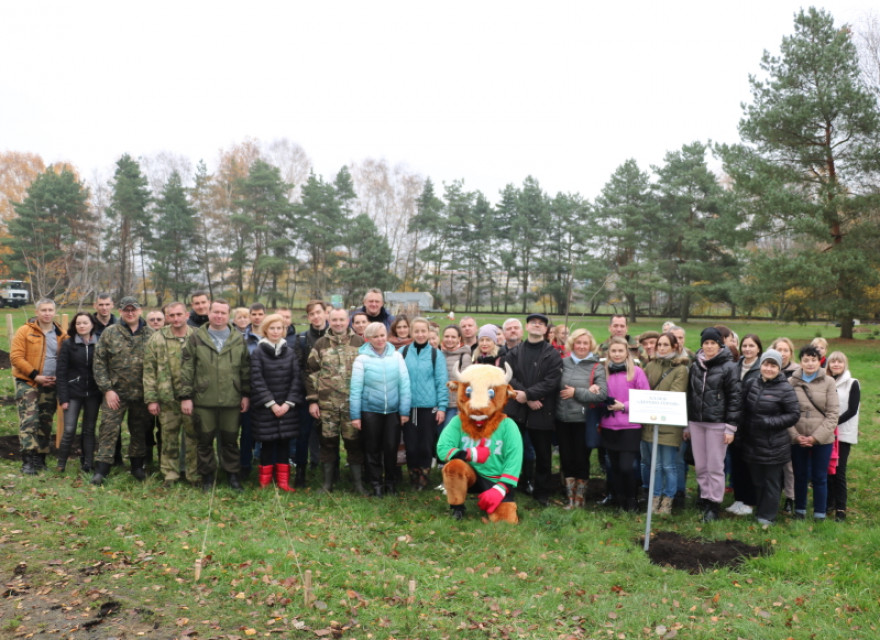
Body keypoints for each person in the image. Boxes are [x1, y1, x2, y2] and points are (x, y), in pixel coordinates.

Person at [179, 299, 251, 492]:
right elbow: (187, 368)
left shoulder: (238, 338)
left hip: (232, 399)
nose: (219, 316)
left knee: (230, 440)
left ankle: (233, 477)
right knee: (204, 441)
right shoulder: (196, 338)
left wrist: (245, 394)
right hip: (204, 399)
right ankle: (208, 478)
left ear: (229, 316)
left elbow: (245, 369)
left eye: (223, 313)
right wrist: (186, 396)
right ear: (209, 313)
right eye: (215, 312)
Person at [90, 297, 154, 485]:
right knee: (108, 429)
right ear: (120, 311)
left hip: (142, 393)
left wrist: (152, 393)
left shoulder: (151, 334)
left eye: (133, 309)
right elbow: (99, 362)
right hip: (115, 393)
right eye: (126, 310)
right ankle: (102, 468)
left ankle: (137, 467)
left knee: (139, 430)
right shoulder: (110, 333)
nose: (130, 313)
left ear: (140, 310)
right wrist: (107, 389)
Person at [503, 313, 563, 506]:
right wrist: (526, 397)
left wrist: (528, 395)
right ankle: (508, 487)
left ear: (545, 330)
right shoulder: (514, 352)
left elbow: (552, 381)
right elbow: (508, 375)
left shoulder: (552, 354)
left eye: (541, 324)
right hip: (517, 409)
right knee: (512, 451)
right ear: (526, 327)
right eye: (533, 323)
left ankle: (541, 492)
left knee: (543, 454)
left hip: (542, 410)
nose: (537, 326)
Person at [305, 307, 366, 494]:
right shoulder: (321, 344)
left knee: (354, 443)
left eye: (342, 319)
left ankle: (358, 484)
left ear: (348, 321)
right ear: (329, 321)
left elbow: (368, 372)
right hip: (327, 406)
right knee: (327, 443)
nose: (338, 323)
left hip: (352, 406)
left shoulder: (360, 343)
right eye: (334, 320)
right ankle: (327, 484)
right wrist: (313, 401)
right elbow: (310, 373)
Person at [684, 327, 741, 522]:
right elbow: (689, 395)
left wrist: (731, 427)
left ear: (719, 345)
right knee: (701, 465)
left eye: (713, 343)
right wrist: (687, 425)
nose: (709, 347)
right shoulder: (696, 365)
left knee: (715, 465)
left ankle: (714, 504)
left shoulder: (729, 366)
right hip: (697, 423)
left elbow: (735, 398)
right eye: (706, 343)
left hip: (717, 423)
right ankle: (705, 497)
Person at [350, 322, 411, 497]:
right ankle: (376, 483)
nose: (379, 339)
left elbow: (404, 384)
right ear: (368, 339)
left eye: (382, 335)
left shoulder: (396, 356)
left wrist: (404, 411)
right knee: (372, 449)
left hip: (392, 411)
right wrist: (355, 415)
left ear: (387, 336)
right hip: (370, 411)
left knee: (391, 448)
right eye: (375, 336)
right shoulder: (361, 359)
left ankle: (390, 483)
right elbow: (355, 389)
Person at [739, 349, 800, 525]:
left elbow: (793, 414)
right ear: (761, 365)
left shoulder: (785, 388)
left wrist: (770, 421)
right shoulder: (752, 383)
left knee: (771, 482)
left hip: (774, 444)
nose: (769, 368)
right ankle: (761, 509)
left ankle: (768, 516)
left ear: (779, 368)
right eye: (766, 364)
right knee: (757, 480)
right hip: (753, 442)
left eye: (773, 365)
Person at [143, 301, 198, 487]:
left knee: (193, 437)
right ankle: (170, 474)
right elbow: (149, 371)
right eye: (171, 315)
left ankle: (193, 474)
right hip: (167, 398)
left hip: (193, 398)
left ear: (186, 315)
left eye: (178, 315)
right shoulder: (157, 339)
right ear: (166, 317)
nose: (175, 319)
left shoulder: (197, 337)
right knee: (168, 437)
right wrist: (151, 399)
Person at [250, 314, 302, 492]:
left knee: (284, 444)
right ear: (266, 330)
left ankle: (283, 481)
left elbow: (297, 379)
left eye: (279, 328)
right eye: (272, 328)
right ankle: (264, 482)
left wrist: (288, 403)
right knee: (267, 443)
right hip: (267, 408)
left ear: (284, 330)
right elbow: (257, 380)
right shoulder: (258, 352)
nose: (275, 331)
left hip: (287, 407)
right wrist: (271, 404)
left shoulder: (290, 352)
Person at [11, 298, 64, 475]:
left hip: (51, 384)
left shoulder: (61, 334)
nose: (47, 313)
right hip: (29, 382)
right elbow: (16, 357)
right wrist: (36, 376)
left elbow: (65, 359)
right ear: (37, 312)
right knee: (30, 420)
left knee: (45, 421)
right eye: (43, 310)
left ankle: (41, 458)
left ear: (54, 312)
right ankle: (28, 460)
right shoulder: (25, 331)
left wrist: (59, 377)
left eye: (50, 310)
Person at [555, 329, 606, 509]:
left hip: (583, 421)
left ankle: (580, 498)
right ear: (572, 344)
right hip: (562, 419)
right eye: (578, 343)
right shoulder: (562, 363)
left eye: (585, 343)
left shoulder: (596, 367)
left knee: (581, 459)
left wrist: (576, 392)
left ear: (590, 345)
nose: (582, 346)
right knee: (566, 458)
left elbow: (602, 394)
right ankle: (570, 498)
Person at [600, 336, 651, 512]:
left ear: (626, 352)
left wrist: (624, 406)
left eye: (620, 351)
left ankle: (632, 499)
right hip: (608, 426)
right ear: (608, 353)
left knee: (627, 466)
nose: (617, 354)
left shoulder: (636, 372)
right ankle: (619, 500)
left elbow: (646, 397)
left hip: (630, 427)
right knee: (613, 466)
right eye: (613, 351)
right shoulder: (603, 371)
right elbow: (597, 395)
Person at [641, 332, 689, 515]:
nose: (661, 348)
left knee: (668, 465)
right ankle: (654, 499)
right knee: (654, 465)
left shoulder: (680, 369)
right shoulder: (650, 365)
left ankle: (668, 501)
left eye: (665, 345)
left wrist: (651, 399)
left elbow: (674, 396)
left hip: (669, 425)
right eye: (659, 345)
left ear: (674, 347)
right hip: (650, 424)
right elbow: (641, 387)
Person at [789, 345, 839, 520]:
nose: (810, 364)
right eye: (806, 360)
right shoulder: (791, 382)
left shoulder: (829, 382)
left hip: (822, 439)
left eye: (813, 360)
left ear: (820, 361)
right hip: (798, 437)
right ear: (800, 362)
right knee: (800, 475)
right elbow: (785, 412)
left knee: (819, 476)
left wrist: (816, 437)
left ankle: (819, 512)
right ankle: (800, 510)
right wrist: (795, 435)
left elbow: (833, 414)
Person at [399, 317, 447, 490]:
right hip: (409, 407)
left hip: (429, 407)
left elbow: (442, 382)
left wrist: (441, 407)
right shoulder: (403, 352)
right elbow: (398, 380)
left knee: (426, 445)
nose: (420, 334)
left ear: (429, 332)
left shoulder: (436, 354)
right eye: (417, 331)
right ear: (412, 333)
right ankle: (413, 475)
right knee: (411, 446)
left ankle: (424, 477)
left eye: (423, 331)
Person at [55, 312, 100, 473]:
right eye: (78, 323)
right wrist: (63, 397)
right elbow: (61, 372)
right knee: (69, 429)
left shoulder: (98, 343)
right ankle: (61, 463)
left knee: (89, 429)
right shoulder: (68, 344)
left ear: (92, 325)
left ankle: (87, 463)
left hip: (93, 394)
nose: (81, 326)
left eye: (85, 323)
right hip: (73, 394)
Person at [292, 300, 330, 487]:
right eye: (312, 314)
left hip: (331, 394)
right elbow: (300, 369)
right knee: (303, 434)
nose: (316, 316)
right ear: (308, 317)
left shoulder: (334, 337)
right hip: (307, 395)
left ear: (325, 313)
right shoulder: (302, 339)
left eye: (318, 312)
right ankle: (300, 470)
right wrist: (311, 395)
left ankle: (330, 471)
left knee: (328, 435)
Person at [726, 333, 763, 516]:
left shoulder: (761, 368)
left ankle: (749, 501)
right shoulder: (735, 366)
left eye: (751, 346)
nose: (747, 349)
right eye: (745, 346)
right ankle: (738, 499)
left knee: (750, 464)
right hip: (735, 421)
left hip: (751, 422)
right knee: (737, 462)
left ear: (758, 348)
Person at [826, 350, 859, 521]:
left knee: (839, 471)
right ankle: (829, 502)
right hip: (826, 433)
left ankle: (841, 508)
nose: (836, 364)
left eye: (839, 361)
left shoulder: (852, 383)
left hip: (843, 433)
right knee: (828, 470)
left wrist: (833, 422)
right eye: (833, 362)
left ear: (844, 364)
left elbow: (852, 410)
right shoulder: (826, 382)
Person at [770, 336, 799, 513]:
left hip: (791, 423)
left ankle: (791, 497)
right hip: (772, 422)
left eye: (785, 350)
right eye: (779, 350)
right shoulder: (767, 369)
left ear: (790, 353)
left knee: (789, 465)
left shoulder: (797, 372)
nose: (782, 354)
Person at [439, 325, 472, 433]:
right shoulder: (439, 354)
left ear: (459, 338)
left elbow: (466, 385)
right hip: (439, 405)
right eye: (447, 336)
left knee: (448, 435)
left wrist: (461, 409)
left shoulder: (464, 356)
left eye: (453, 337)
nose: (449, 339)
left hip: (454, 406)